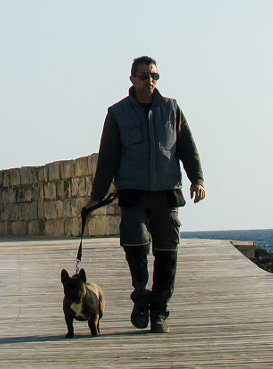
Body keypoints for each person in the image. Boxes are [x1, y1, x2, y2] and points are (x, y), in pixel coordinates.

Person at [85, 56, 204, 333]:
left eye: (154, 76)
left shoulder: (172, 110)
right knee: (136, 247)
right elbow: (108, 159)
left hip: (166, 193)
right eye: (143, 75)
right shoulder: (117, 114)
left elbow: (187, 149)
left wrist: (197, 179)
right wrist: (96, 196)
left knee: (167, 252)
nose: (149, 80)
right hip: (133, 193)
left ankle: (159, 312)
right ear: (132, 79)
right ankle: (141, 297)